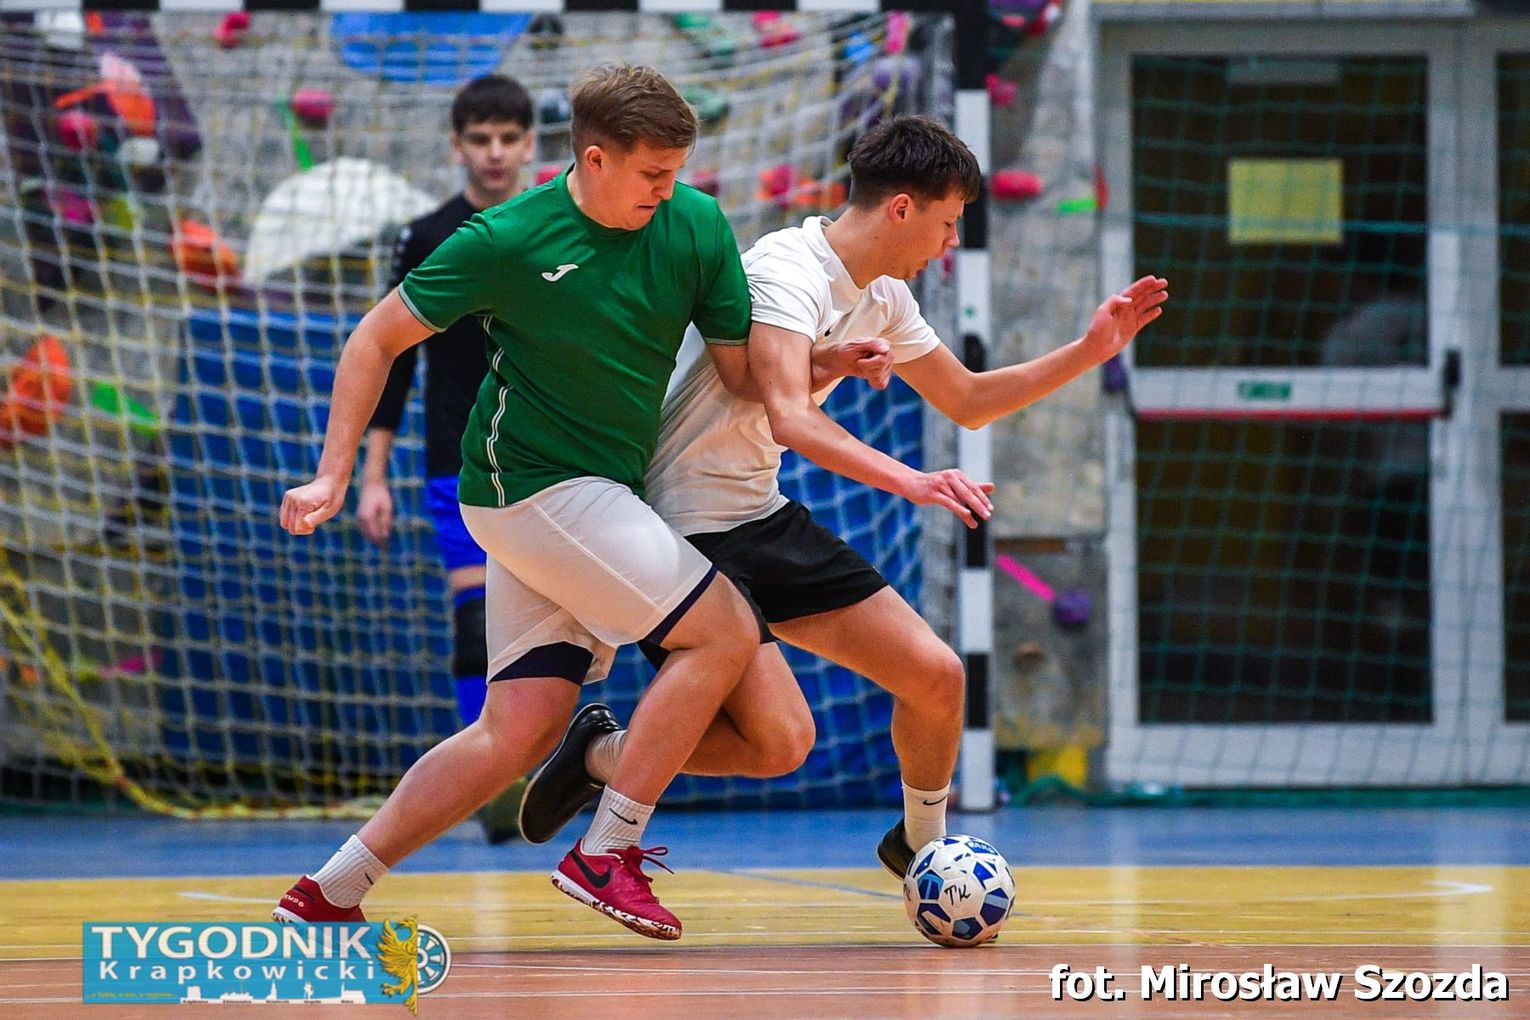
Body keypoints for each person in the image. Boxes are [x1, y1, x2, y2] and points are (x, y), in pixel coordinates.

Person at [518, 115, 1167, 879]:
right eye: (947, 223)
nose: (950, 243)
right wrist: (912, 480)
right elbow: (791, 418)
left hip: (756, 514)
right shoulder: (785, 270)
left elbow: (968, 400)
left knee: (936, 677)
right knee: (780, 743)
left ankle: (923, 847)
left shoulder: (885, 295)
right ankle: (600, 760)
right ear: (902, 209)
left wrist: (1090, 351)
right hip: (677, 528)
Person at [272, 64, 770, 942]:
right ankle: (606, 851)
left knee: (519, 730)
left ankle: (331, 887)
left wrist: (826, 364)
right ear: (594, 159)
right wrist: (335, 473)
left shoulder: (695, 224)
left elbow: (741, 373)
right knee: (723, 632)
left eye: (677, 171)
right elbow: (376, 338)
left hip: (601, 496)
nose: (668, 188)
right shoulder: (506, 238)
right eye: (652, 172)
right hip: (528, 489)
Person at [357, 73, 536, 845]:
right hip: (456, 466)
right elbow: (392, 358)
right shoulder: (429, 237)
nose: (495, 152)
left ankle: (565, 772)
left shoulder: (557, 225)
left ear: (529, 144)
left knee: (556, 633)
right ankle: (494, 786)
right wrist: (371, 475)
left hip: (549, 461)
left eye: (508, 138)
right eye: (480, 139)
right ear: (457, 146)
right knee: (476, 626)